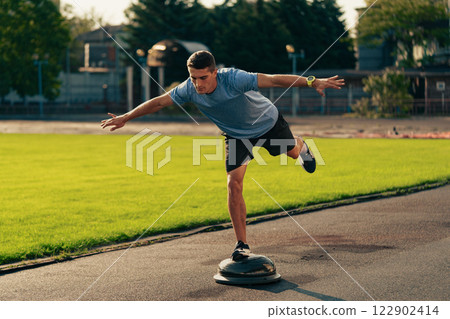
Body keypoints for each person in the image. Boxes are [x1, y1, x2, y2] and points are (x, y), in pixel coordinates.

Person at [101, 50, 345, 261]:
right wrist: (125, 117)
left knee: (292, 153)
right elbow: (159, 102)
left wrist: (312, 81)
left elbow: (273, 80)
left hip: (267, 124)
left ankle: (301, 146)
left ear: (215, 72)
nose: (198, 84)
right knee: (233, 183)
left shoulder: (234, 78)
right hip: (236, 136)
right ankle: (242, 245)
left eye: (203, 78)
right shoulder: (189, 89)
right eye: (193, 78)